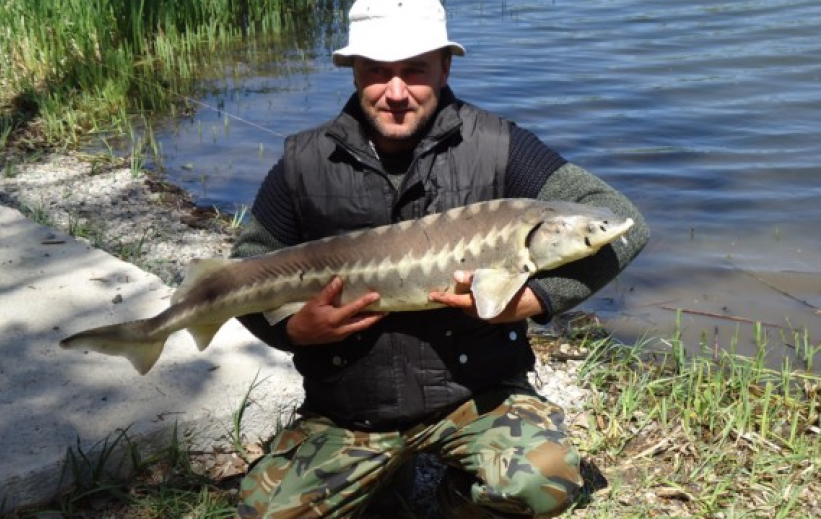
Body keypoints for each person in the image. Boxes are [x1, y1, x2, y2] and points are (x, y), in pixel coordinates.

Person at [230, 0, 648, 517]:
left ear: (445, 66)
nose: (396, 92)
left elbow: (625, 221)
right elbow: (243, 273)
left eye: (415, 70)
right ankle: (385, 479)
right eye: (377, 71)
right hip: (352, 411)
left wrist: (536, 299)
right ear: (353, 69)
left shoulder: (498, 146)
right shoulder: (305, 163)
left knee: (541, 481)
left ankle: (455, 503)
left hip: (474, 396)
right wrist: (293, 332)